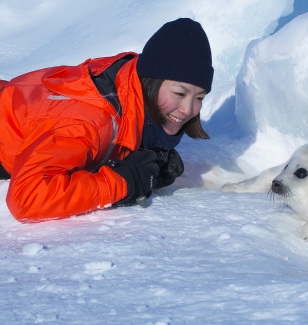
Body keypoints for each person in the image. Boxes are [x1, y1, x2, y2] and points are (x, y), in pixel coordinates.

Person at [0, 18, 214, 222]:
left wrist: (147, 151)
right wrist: (123, 183)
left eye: (199, 98)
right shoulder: (90, 121)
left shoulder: (126, 87)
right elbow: (27, 198)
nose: (188, 109)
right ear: (152, 81)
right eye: (179, 93)